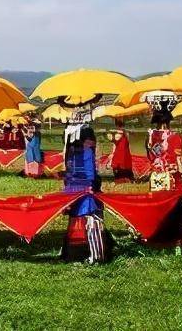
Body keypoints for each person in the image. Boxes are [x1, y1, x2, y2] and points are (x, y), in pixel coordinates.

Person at [60, 108, 112, 264]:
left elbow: (80, 171)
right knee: (90, 219)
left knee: (87, 219)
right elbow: (85, 172)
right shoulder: (81, 152)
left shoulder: (77, 151)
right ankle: (93, 254)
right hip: (82, 188)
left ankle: (86, 253)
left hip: (79, 188)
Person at [144, 93, 182, 245]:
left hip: (156, 176)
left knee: (157, 206)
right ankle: (175, 235)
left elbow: (150, 156)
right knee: (176, 206)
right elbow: (179, 160)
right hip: (171, 177)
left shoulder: (150, 136)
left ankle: (157, 233)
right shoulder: (174, 137)